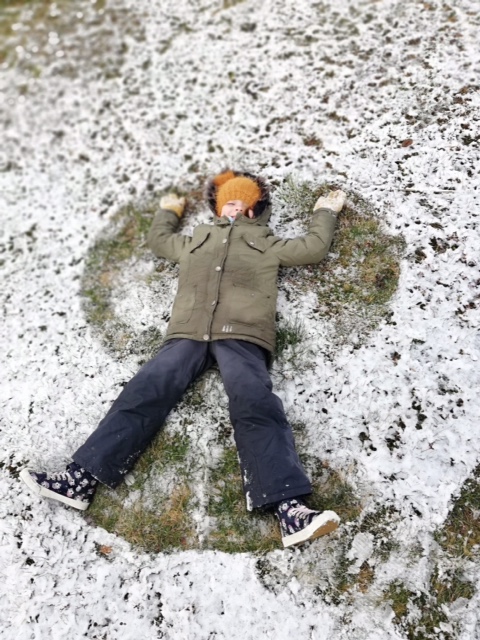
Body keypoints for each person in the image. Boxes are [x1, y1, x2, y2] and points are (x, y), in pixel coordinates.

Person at [20, 169, 347, 548]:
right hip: (187, 334)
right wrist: (169, 212)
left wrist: (325, 212)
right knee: (145, 391)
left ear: (254, 211)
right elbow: (159, 241)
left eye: (241, 204)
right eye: (228, 203)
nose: (234, 209)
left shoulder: (267, 242)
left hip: (241, 334)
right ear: (218, 209)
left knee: (255, 401)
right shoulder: (197, 241)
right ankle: (80, 480)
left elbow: (312, 247)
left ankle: (288, 507)